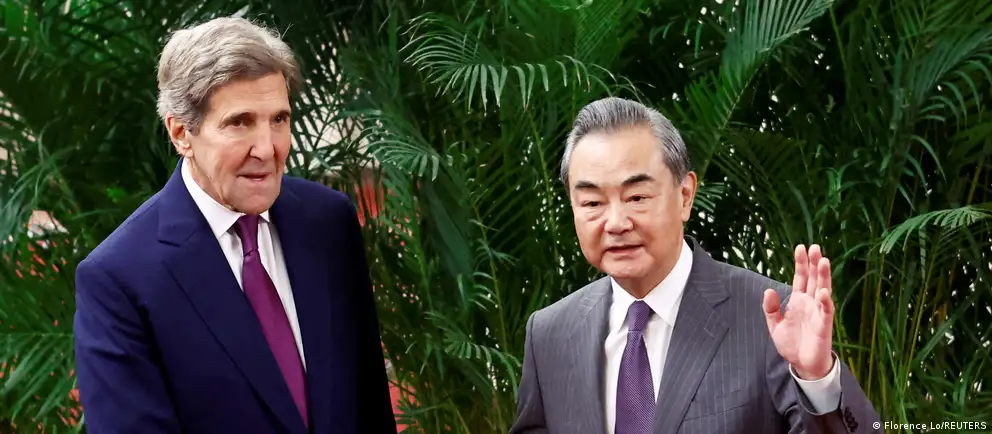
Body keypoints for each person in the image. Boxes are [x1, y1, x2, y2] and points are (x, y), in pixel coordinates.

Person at [73, 17, 397, 434]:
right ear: (181, 133)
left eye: (278, 119)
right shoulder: (119, 279)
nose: (267, 148)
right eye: (240, 122)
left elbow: (369, 403)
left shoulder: (328, 222)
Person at [508, 97, 881, 434]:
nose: (616, 223)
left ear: (685, 195)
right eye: (592, 203)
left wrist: (817, 379)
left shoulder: (772, 320)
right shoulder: (550, 335)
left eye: (637, 197)